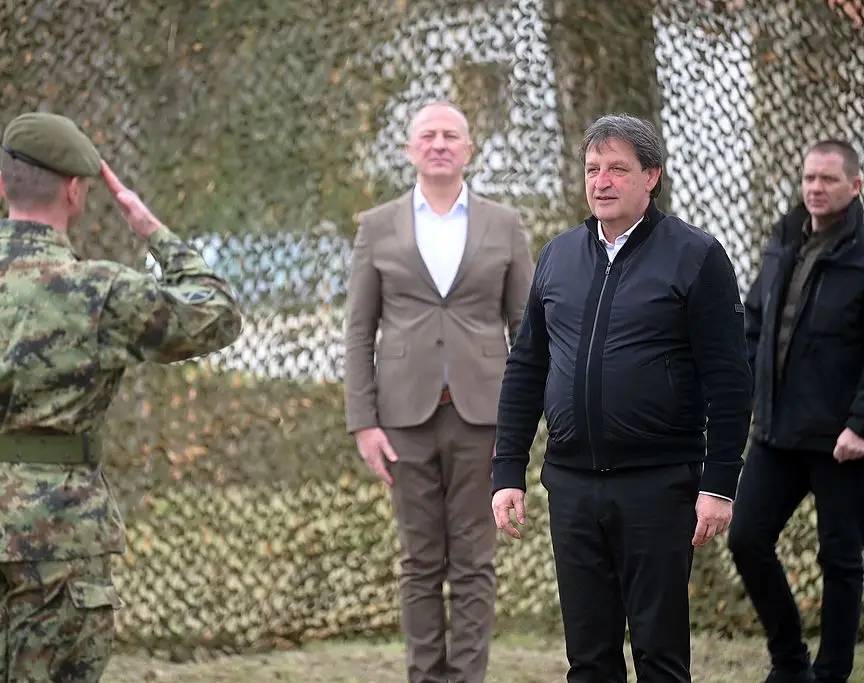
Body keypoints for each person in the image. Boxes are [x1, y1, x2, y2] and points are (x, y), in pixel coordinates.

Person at [0, 112, 243, 682]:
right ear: (75, 192)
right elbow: (217, 313)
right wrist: (150, 229)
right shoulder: (100, 291)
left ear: (0, 185)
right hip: (62, 532)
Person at [491, 114, 753, 683]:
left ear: (650, 176)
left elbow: (730, 380)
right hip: (572, 487)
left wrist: (718, 485)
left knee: (660, 659)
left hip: (658, 487)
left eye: (617, 168)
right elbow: (526, 368)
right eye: (592, 169)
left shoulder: (696, 256)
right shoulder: (558, 256)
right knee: (588, 661)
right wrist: (507, 471)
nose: (601, 181)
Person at [343, 100, 535, 683]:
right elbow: (359, 329)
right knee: (420, 561)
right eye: (427, 135)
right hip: (403, 420)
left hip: (484, 419)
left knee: (475, 561)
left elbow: (528, 330)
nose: (440, 144)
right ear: (410, 149)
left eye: (451, 135)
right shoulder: (378, 226)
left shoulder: (504, 224)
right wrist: (363, 422)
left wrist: (521, 422)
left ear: (469, 148)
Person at [727, 140, 864, 683]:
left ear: (855, 185)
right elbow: (755, 321)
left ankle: (831, 674)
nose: (815, 188)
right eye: (809, 177)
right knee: (746, 539)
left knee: (841, 559)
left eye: (828, 179)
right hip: (776, 431)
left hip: (840, 440)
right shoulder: (785, 236)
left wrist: (860, 424)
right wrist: (746, 394)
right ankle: (790, 663)